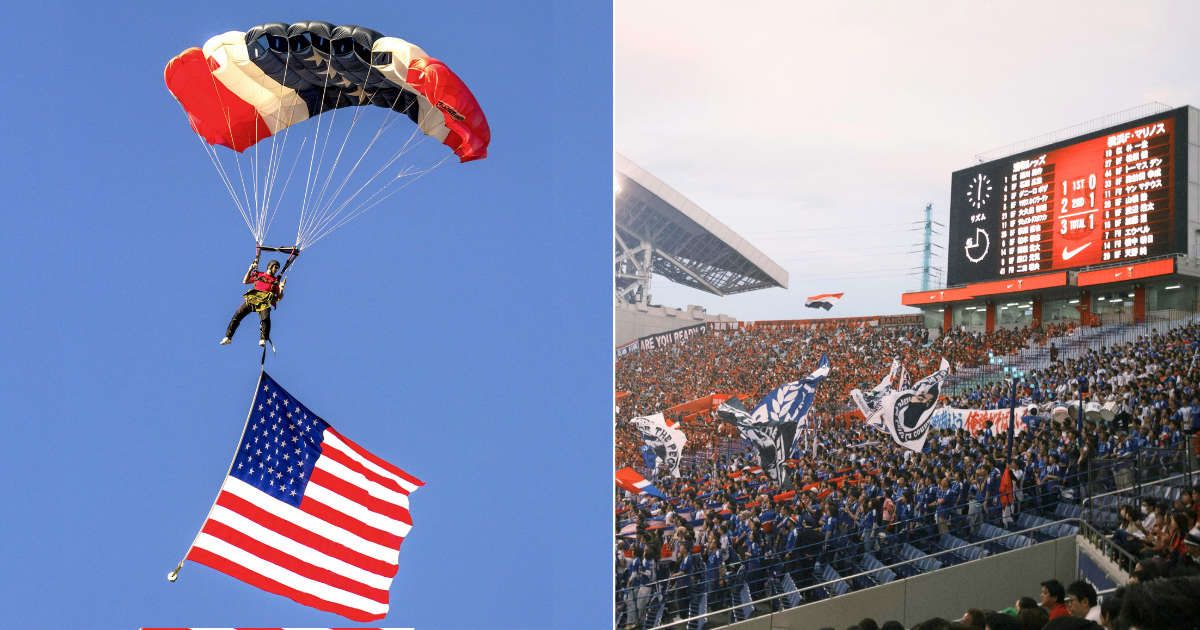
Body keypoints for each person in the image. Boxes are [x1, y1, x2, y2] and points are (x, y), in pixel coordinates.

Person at [220, 256, 286, 347]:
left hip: (264, 301)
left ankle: (263, 339)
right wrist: (250, 270)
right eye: (275, 267)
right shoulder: (259, 274)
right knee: (237, 315)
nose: (276, 270)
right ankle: (228, 337)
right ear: (270, 266)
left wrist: (281, 288)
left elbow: (279, 298)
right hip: (252, 298)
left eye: (278, 268)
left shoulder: (275, 281)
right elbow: (245, 281)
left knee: (265, 319)